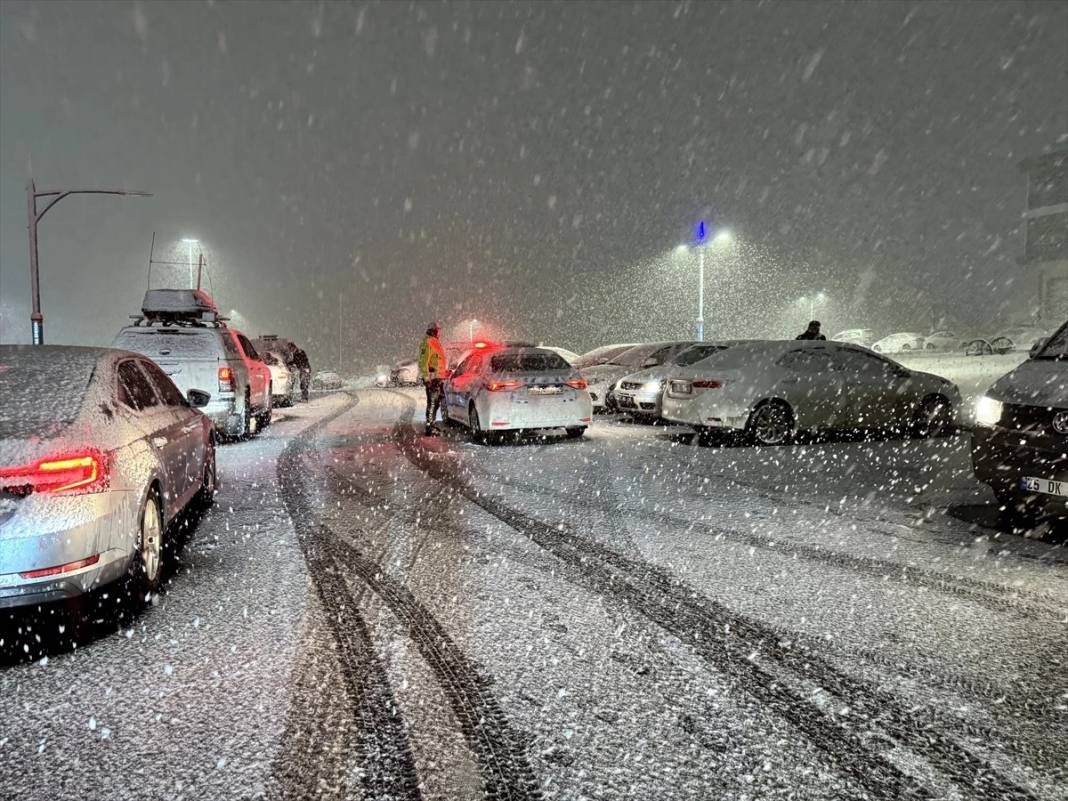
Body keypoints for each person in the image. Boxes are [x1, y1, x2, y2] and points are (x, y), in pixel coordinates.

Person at [418, 322, 448, 435]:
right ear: (433, 330)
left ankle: (432, 425)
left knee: (436, 403)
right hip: (432, 380)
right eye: (438, 330)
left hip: (438, 379)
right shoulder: (427, 342)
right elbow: (423, 362)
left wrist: (445, 373)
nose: (439, 332)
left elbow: (438, 361)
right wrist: (426, 378)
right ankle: (430, 427)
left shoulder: (435, 342)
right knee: (432, 403)